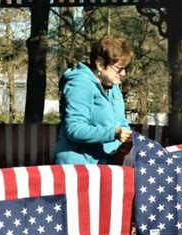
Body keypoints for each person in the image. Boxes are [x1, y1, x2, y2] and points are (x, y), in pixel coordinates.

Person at [55, 35, 134, 164]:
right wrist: (113, 133)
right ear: (100, 64)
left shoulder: (113, 85)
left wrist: (128, 136)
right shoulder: (79, 84)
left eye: (125, 68)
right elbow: (75, 129)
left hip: (106, 163)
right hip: (78, 167)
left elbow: (120, 121)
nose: (123, 74)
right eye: (119, 68)